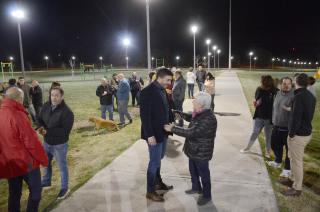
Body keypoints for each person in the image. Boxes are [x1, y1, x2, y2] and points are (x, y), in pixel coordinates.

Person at [164, 92, 217, 206]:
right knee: (193, 171)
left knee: (204, 174)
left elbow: (191, 132)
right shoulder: (200, 113)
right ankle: (196, 188)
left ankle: (207, 195)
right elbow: (191, 118)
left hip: (201, 152)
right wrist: (179, 113)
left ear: (201, 105)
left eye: (195, 101)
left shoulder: (208, 119)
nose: (193, 102)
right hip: (193, 149)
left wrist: (173, 128)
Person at [0, 87, 48, 212]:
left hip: (10, 162)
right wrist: (43, 159)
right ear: (19, 99)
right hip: (25, 163)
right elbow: (31, 142)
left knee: (14, 194)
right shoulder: (18, 115)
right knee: (36, 192)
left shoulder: (1, 112)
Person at [140, 68, 174, 202]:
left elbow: (166, 108)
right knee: (154, 162)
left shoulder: (162, 90)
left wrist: (172, 118)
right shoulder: (147, 92)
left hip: (163, 132)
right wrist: (149, 135)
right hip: (153, 134)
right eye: (168, 80)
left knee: (159, 158)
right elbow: (145, 116)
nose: (169, 82)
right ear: (160, 78)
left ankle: (158, 182)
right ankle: (150, 191)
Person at [281, 73, 316, 197]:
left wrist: (291, 134)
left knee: (296, 162)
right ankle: (291, 179)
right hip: (305, 132)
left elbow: (296, 118)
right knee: (292, 158)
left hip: (298, 134)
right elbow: (304, 113)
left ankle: (297, 188)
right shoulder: (310, 96)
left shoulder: (299, 96)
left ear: (296, 82)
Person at [38, 87, 74, 200]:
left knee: (62, 167)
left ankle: (64, 188)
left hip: (60, 145)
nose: (54, 97)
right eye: (52, 95)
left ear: (62, 96)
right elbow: (39, 118)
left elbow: (64, 131)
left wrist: (47, 131)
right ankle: (46, 181)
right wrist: (40, 127)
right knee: (45, 163)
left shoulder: (67, 112)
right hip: (47, 142)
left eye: (56, 95)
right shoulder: (46, 105)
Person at [240, 75, 277, 158]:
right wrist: (257, 103)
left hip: (269, 118)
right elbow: (257, 100)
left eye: (263, 81)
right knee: (255, 132)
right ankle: (247, 148)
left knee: (268, 136)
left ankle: (267, 152)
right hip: (259, 116)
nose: (261, 82)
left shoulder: (275, 91)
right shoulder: (259, 89)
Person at [267, 77, 294, 179]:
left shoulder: (294, 95)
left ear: (291, 85)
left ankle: (287, 169)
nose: (286, 85)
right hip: (276, 125)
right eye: (284, 83)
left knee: (289, 151)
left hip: (287, 128)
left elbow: (298, 110)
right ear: (281, 84)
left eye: (288, 84)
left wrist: (290, 109)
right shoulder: (278, 94)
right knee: (274, 145)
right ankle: (278, 161)